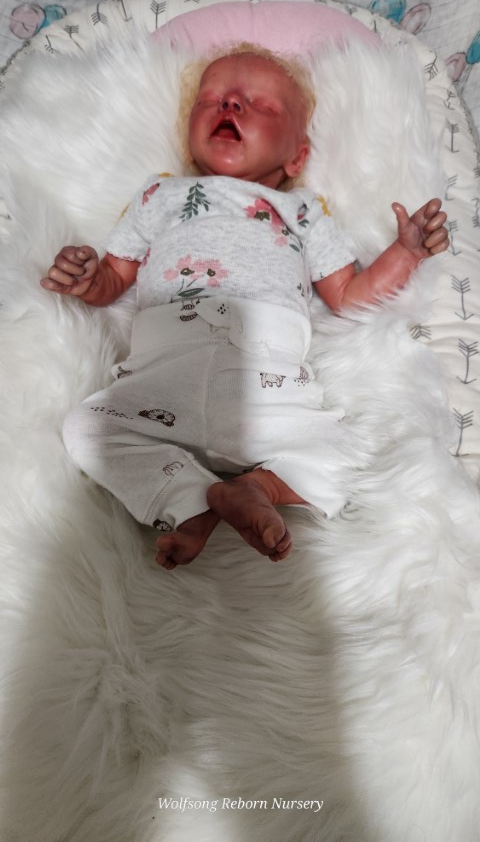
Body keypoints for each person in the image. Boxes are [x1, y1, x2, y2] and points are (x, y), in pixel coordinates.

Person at [40, 47, 449, 570]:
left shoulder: (303, 211)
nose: (231, 103)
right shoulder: (159, 195)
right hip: (165, 376)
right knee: (87, 428)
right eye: (212, 99)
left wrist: (406, 253)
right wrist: (85, 277)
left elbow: (349, 294)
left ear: (296, 157)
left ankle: (259, 488)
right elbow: (114, 278)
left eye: (260, 105)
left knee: (345, 456)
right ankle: (191, 501)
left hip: (269, 385)